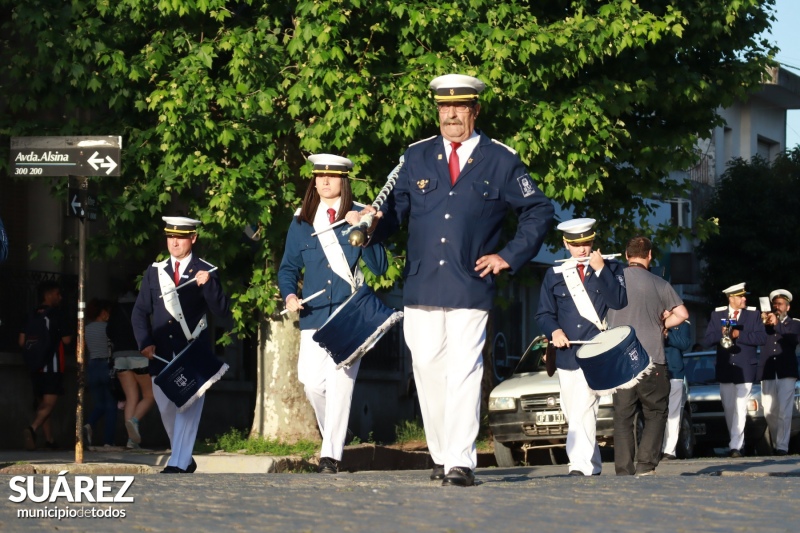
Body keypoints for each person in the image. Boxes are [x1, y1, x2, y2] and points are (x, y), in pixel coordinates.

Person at [350, 74, 554, 486]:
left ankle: (461, 460)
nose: (450, 115)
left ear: (475, 110)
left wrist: (508, 256)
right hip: (422, 283)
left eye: (459, 108)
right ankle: (442, 454)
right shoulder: (417, 156)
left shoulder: (500, 159)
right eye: (443, 108)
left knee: (463, 369)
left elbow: (539, 211)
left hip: (470, 284)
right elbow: (396, 214)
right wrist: (370, 224)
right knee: (426, 368)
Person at [278, 154, 388, 474]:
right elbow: (288, 268)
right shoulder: (301, 220)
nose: (325, 182)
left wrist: (366, 228)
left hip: (350, 312)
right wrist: (289, 294)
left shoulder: (361, 214)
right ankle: (336, 435)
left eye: (332, 176)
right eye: (319, 176)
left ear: (344, 180)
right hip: (313, 314)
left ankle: (331, 455)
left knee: (341, 384)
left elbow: (380, 267)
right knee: (311, 382)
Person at [131, 216, 230, 473]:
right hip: (161, 353)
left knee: (187, 408)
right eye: (170, 237)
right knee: (165, 406)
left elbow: (221, 310)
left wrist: (208, 285)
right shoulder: (155, 271)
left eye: (181, 237)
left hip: (192, 352)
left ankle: (177, 463)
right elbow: (140, 312)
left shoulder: (206, 270)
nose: (174, 242)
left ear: (193, 239)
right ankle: (184, 456)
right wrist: (145, 342)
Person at [535, 218, 627, 476]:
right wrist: (554, 330)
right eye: (576, 245)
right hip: (566, 354)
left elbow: (619, 301)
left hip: (597, 350)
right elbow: (543, 314)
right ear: (566, 244)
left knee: (584, 405)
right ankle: (594, 464)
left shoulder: (611, 267)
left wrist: (601, 271)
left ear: (593, 241)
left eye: (586, 243)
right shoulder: (554, 274)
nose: (582, 250)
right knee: (571, 409)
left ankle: (579, 465)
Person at [606, 236, 689, 476]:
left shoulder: (614, 282)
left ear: (626, 255)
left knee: (623, 416)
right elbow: (682, 313)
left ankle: (623, 468)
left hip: (620, 361)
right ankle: (646, 464)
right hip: (652, 359)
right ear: (650, 255)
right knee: (655, 412)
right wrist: (663, 325)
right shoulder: (659, 283)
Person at [704, 282, 766, 457]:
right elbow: (707, 340)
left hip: (745, 367)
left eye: (744, 296)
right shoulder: (717, 315)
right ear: (731, 298)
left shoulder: (753, 315)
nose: (744, 299)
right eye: (741, 296)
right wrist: (721, 333)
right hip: (726, 368)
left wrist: (740, 335)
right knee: (729, 407)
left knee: (740, 407)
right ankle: (738, 441)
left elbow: (762, 337)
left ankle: (735, 446)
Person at [19, 280, 73, 450]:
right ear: (48, 294)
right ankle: (32, 428)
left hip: (34, 365)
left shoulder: (30, 314)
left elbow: (21, 341)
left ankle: (49, 440)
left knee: (42, 404)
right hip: (53, 365)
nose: (60, 297)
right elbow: (66, 340)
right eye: (58, 294)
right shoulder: (57, 314)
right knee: (49, 404)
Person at [108, 288, 154, 450]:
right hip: (139, 356)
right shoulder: (142, 308)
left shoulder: (116, 308)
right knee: (150, 395)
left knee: (131, 397)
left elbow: (109, 331)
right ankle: (134, 421)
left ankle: (131, 441)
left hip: (120, 357)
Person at [758, 289, 800, 455]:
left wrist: (778, 325)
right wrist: (762, 323)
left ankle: (782, 446)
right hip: (768, 371)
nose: (777, 307)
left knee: (784, 410)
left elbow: (794, 340)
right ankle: (777, 442)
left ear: (787, 308)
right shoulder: (764, 324)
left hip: (786, 372)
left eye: (780, 304)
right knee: (769, 411)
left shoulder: (795, 324)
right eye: (775, 304)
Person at [83, 298, 117, 447]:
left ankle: (89, 424)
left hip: (92, 367)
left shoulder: (86, 329)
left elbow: (83, 350)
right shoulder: (109, 328)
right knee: (111, 406)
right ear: (103, 313)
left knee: (99, 404)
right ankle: (108, 442)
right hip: (106, 366)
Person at [661, 319, 692, 460]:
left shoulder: (683, 324)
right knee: (657, 412)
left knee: (673, 412)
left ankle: (669, 450)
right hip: (655, 370)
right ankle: (657, 447)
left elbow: (685, 343)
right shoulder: (653, 320)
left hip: (674, 371)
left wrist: (668, 335)